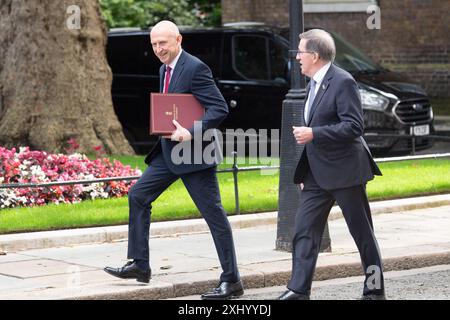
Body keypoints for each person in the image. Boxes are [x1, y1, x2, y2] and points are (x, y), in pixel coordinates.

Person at [104, 20, 244, 300]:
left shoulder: (195, 68)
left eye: (163, 43)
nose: (158, 49)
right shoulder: (163, 68)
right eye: (154, 44)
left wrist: (190, 133)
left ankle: (232, 281)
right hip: (168, 153)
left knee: (214, 216)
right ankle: (140, 265)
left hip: (195, 155)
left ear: (178, 40)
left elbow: (217, 108)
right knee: (138, 195)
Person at [278, 29, 385, 300]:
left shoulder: (342, 81)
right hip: (316, 174)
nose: (297, 57)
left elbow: (354, 126)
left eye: (300, 52)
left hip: (346, 171)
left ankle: (375, 291)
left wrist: (314, 133)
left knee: (362, 234)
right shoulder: (312, 83)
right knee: (303, 231)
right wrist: (307, 166)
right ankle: (298, 290)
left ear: (314, 55)